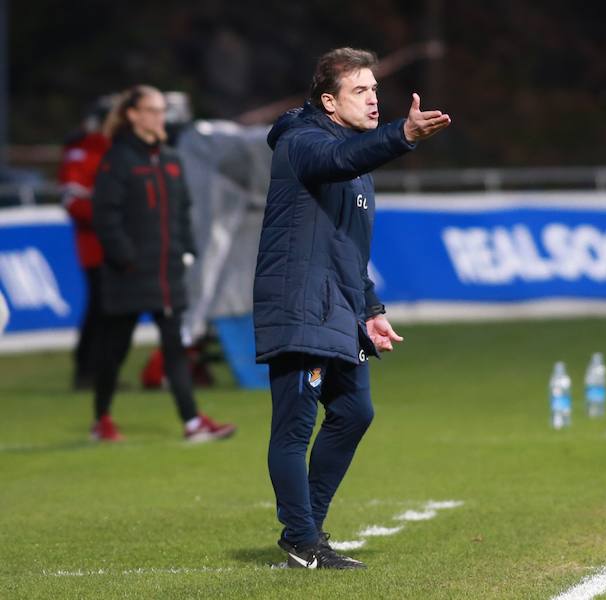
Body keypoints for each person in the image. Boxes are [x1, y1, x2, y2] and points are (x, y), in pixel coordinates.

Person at [253, 47, 450, 570]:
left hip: (338, 307)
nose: (372, 99)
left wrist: (370, 308)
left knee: (354, 412)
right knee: (294, 428)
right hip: (299, 306)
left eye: (374, 90)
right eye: (359, 90)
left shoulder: (357, 157)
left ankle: (308, 527)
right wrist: (403, 136)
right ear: (329, 102)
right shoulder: (303, 142)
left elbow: (343, 246)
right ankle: (301, 536)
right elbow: (338, 160)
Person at [92, 84, 236, 443]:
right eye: (153, 110)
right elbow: (105, 215)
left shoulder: (171, 159)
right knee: (115, 349)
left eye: (162, 110)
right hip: (128, 276)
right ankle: (102, 419)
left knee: (175, 349)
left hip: (168, 273)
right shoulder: (118, 160)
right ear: (133, 115)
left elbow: (183, 211)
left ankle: (192, 422)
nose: (161, 117)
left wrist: (186, 249)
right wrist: (124, 257)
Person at [58, 94, 116, 390]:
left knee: (109, 309)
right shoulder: (82, 151)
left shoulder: (108, 149)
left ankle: (101, 371)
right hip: (95, 245)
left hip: (113, 242)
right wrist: (111, 218)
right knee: (100, 308)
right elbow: (73, 199)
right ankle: (87, 370)